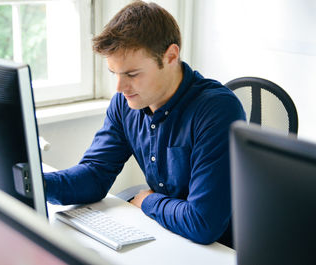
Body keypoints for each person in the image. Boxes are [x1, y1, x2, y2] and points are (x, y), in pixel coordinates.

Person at [44, 0, 246, 246]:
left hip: (219, 250)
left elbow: (203, 223)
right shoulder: (126, 103)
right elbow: (95, 175)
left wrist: (148, 201)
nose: (119, 88)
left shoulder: (216, 110)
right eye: (114, 73)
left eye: (132, 74)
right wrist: (35, 182)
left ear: (171, 56)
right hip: (165, 232)